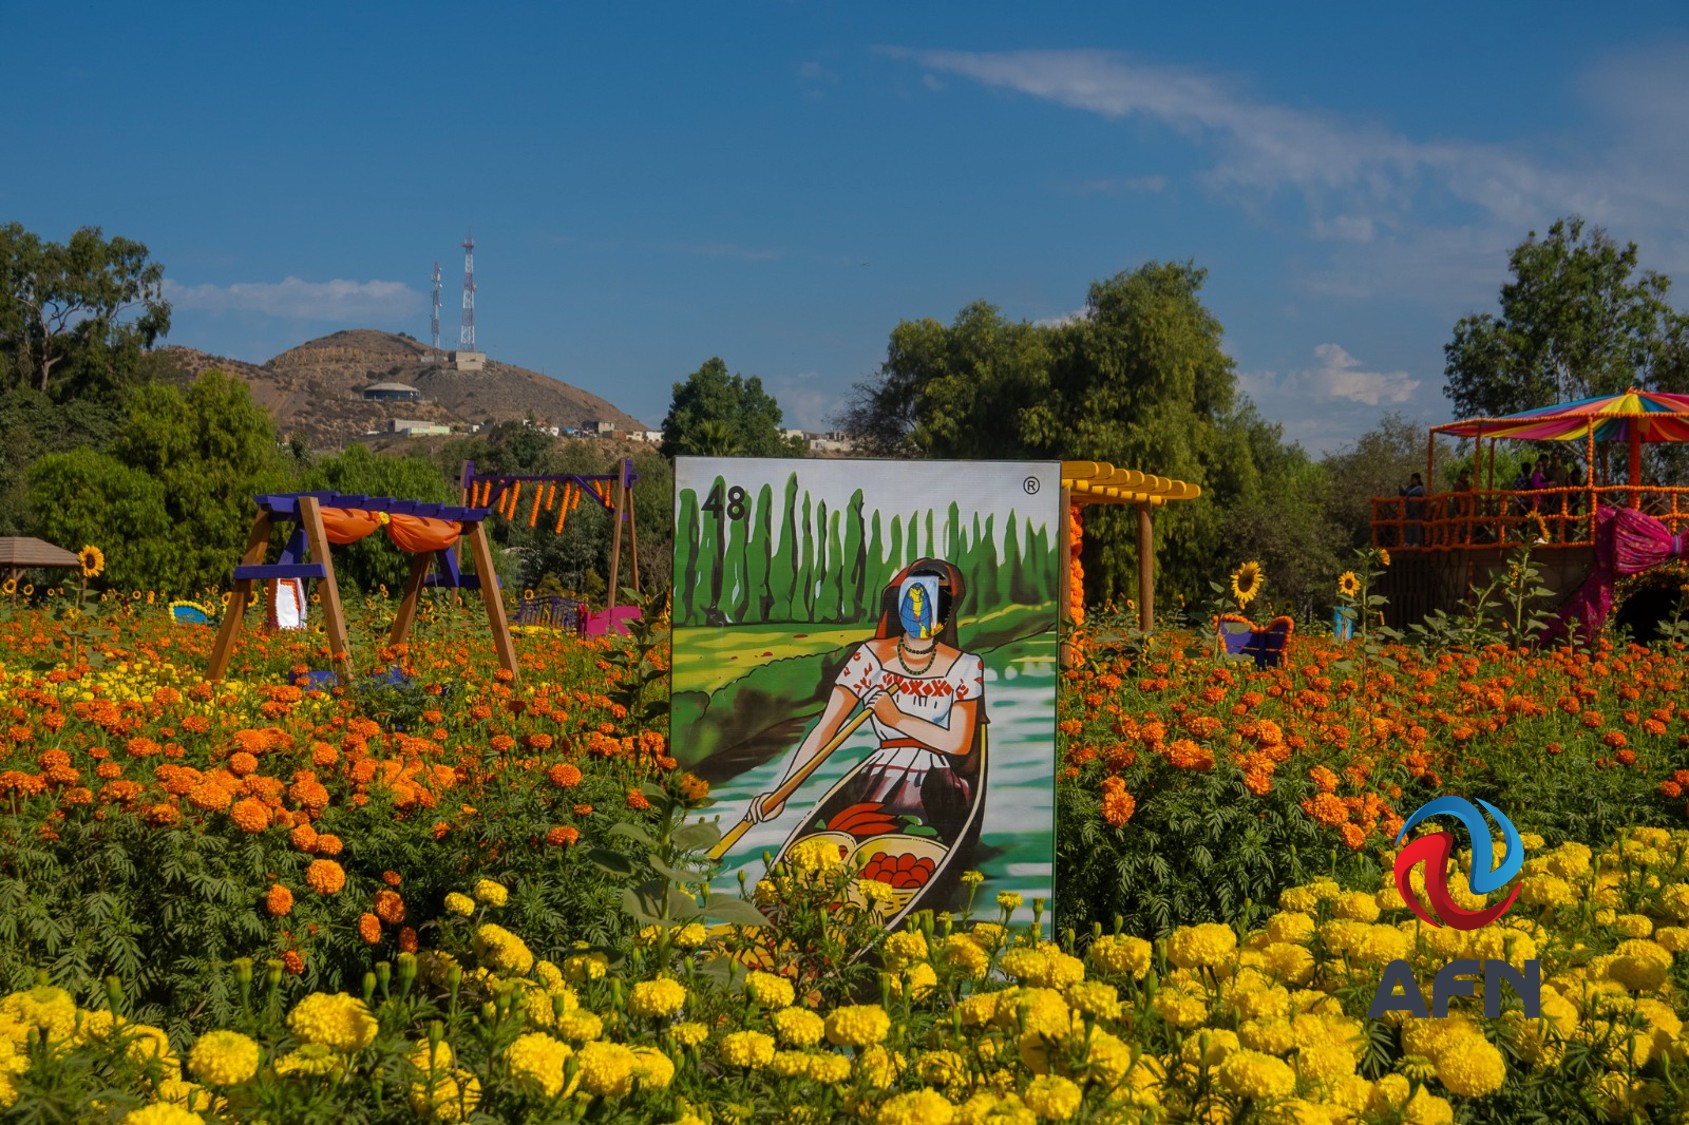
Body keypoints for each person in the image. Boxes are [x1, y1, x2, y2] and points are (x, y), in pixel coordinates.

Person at [748, 558, 987, 849]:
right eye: (914, 595)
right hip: (879, 773)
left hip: (936, 782)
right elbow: (826, 729)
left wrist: (897, 719)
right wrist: (782, 794)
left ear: (949, 608)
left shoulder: (967, 666)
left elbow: (959, 743)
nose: (919, 607)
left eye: (932, 598)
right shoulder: (870, 656)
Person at [1399, 473, 1426, 546]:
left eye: (1413, 479)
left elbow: (1424, 499)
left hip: (1417, 510)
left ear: (1418, 480)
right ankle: (1408, 542)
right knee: (1408, 526)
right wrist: (1400, 488)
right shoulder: (1409, 488)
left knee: (1416, 526)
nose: (1411, 481)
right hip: (1409, 510)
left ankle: (1416, 542)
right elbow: (1404, 494)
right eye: (1411, 479)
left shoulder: (1420, 488)